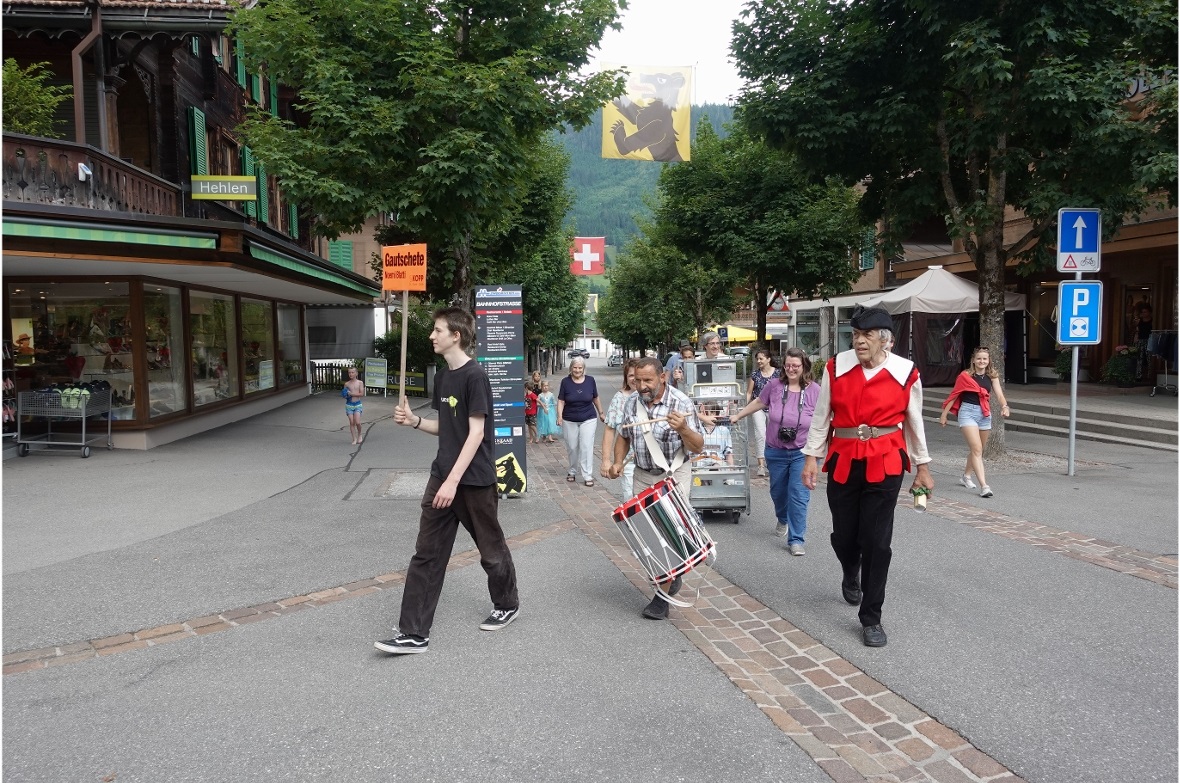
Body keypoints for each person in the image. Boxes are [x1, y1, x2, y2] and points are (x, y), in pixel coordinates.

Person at [375, 307, 519, 655]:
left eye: (438, 330)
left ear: (456, 335)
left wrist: (453, 482)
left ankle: (507, 603)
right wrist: (413, 421)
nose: (431, 336)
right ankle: (413, 633)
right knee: (427, 554)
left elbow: (475, 433)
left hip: (472, 481)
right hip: (443, 476)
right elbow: (445, 427)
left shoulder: (475, 376)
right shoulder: (443, 377)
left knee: (491, 551)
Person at [801, 305, 934, 648]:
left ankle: (871, 617)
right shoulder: (835, 367)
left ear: (885, 341)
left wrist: (922, 466)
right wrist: (812, 458)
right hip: (844, 459)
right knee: (845, 537)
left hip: (887, 462)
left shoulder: (906, 373)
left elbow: (914, 422)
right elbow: (821, 415)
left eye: (867, 336)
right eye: (856, 335)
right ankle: (850, 568)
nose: (859, 341)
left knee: (877, 542)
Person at [606, 357, 704, 621]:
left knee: (672, 533)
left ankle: (662, 597)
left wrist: (683, 428)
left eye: (647, 380)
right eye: (637, 380)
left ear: (664, 376)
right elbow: (624, 437)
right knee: (648, 536)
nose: (642, 386)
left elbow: (698, 446)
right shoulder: (631, 403)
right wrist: (616, 462)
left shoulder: (681, 402)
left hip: (675, 473)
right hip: (642, 475)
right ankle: (671, 579)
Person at [732, 347, 819, 556]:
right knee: (778, 493)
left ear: (803, 366)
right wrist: (738, 416)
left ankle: (796, 539)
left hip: (802, 452)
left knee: (798, 495)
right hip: (776, 450)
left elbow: (823, 419)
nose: (791, 369)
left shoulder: (815, 390)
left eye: (795, 365)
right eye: (788, 365)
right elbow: (759, 402)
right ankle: (782, 518)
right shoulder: (775, 386)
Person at [939, 346, 1010, 498]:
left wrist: (1004, 406)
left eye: (984, 358)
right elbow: (954, 395)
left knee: (978, 450)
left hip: (985, 413)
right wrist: (944, 415)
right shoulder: (965, 375)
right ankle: (984, 486)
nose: (982, 361)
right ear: (973, 360)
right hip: (967, 413)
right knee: (977, 449)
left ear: (989, 360)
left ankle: (966, 476)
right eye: (979, 358)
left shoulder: (992, 376)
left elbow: (999, 394)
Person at [557, 357, 605, 486]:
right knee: (572, 446)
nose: (577, 370)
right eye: (575, 367)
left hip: (588, 417)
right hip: (569, 418)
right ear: (571, 368)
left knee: (586, 446)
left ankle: (587, 475)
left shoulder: (590, 380)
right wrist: (559, 416)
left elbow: (595, 397)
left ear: (583, 369)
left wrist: (601, 413)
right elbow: (561, 401)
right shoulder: (565, 382)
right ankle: (572, 470)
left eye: (580, 368)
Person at [601, 359, 639, 500]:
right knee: (631, 499)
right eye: (631, 376)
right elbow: (610, 429)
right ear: (626, 378)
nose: (635, 379)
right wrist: (606, 460)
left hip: (653, 461)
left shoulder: (653, 397)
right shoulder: (619, 398)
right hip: (628, 459)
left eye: (638, 374)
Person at [745, 348, 781, 477]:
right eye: (757, 359)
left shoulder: (778, 373)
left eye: (761, 358)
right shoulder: (755, 374)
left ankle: (774, 462)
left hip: (774, 407)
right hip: (758, 406)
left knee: (774, 435)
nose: (759, 361)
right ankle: (761, 464)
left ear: (768, 359)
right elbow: (749, 392)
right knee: (760, 433)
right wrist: (744, 407)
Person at [343, 367, 366, 445]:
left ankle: (360, 434)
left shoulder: (360, 383)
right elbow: (344, 395)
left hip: (357, 404)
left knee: (358, 422)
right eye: (349, 372)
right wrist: (345, 394)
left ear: (356, 373)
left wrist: (352, 394)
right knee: (352, 422)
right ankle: (354, 438)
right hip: (349, 404)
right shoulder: (346, 384)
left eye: (352, 372)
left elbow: (362, 394)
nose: (351, 374)